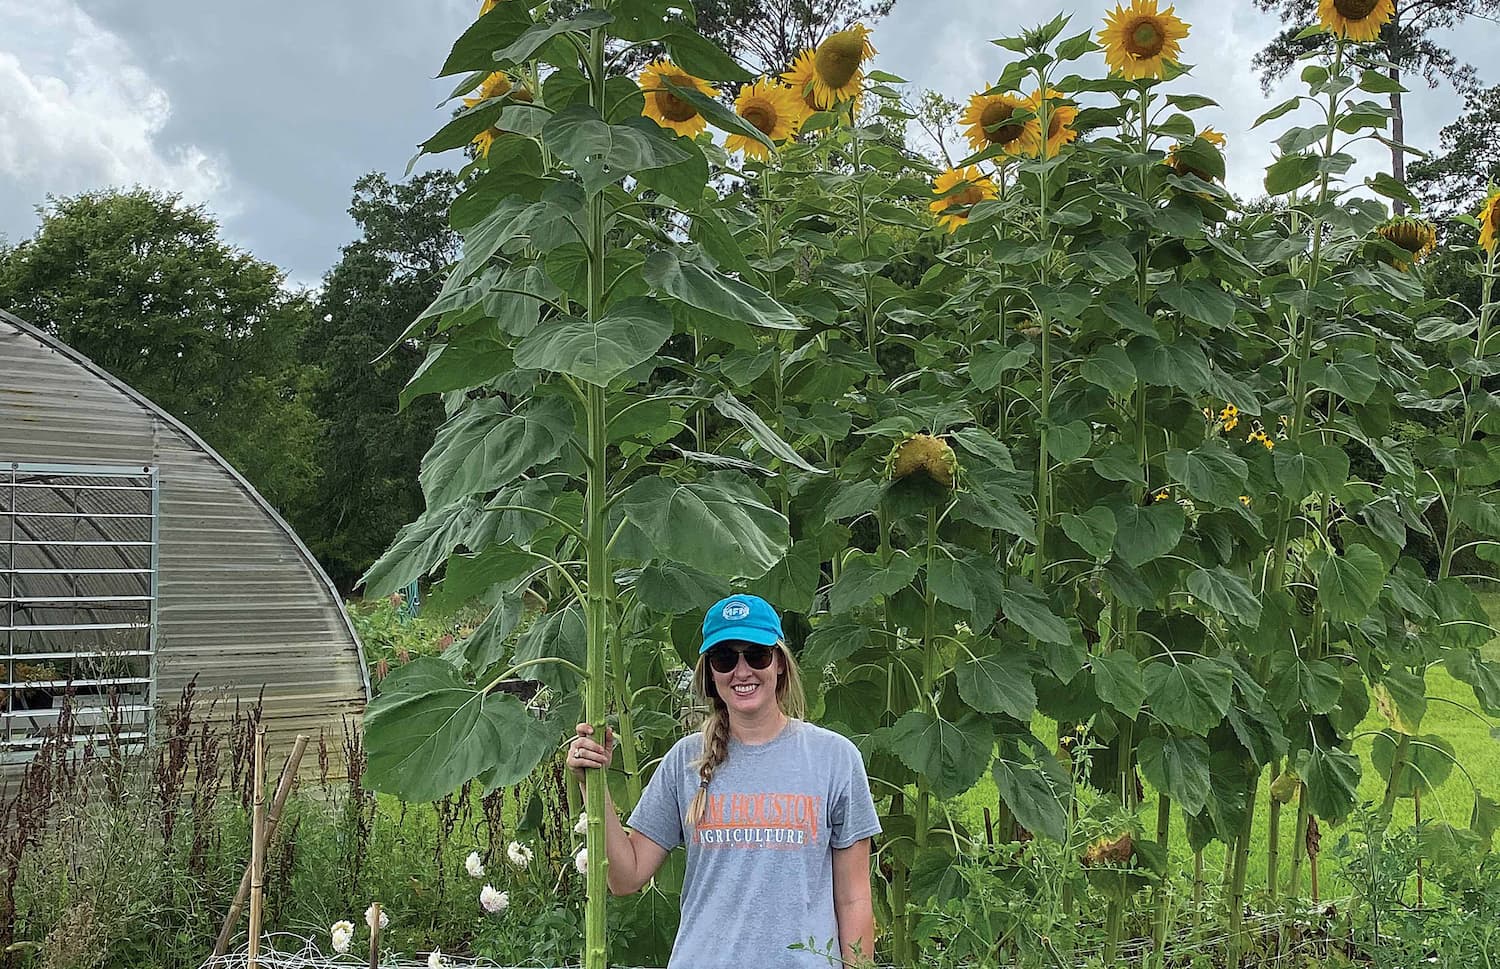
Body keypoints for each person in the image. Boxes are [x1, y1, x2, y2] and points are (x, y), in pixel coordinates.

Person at [567, 593, 882, 969]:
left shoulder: (835, 758)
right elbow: (625, 877)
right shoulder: (684, 761)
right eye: (725, 658)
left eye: (757, 654)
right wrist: (593, 781)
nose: (742, 670)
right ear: (710, 673)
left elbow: (854, 899)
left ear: (779, 663)